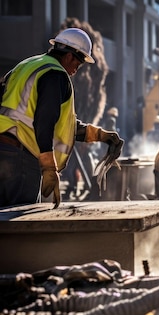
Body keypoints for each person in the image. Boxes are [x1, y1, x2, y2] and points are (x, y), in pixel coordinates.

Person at [0, 28, 124, 208]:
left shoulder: (24, 66)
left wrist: (100, 135)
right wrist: (48, 166)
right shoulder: (56, 74)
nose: (75, 70)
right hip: (21, 156)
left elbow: (61, 125)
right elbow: (45, 121)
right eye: (78, 64)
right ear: (70, 57)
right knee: (18, 225)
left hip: (4, 149)